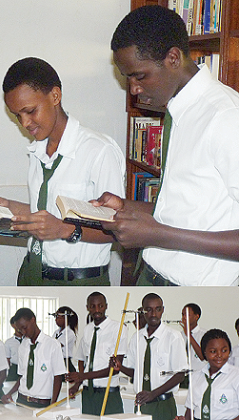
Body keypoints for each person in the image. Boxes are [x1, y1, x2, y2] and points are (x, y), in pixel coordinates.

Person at [93, 5, 239, 286]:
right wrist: (126, 207)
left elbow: (167, 229)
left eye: (139, 76)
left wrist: (158, 234)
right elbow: (184, 210)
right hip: (151, 276)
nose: (133, 89)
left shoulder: (225, 118)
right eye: (127, 78)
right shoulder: (178, 112)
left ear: (173, 58)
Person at [0, 57, 125, 286]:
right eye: (18, 115)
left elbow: (117, 229)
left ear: (55, 96)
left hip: (77, 282)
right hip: (32, 273)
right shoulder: (38, 150)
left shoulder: (99, 151)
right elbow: (45, 212)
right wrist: (5, 205)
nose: (25, 123)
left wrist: (65, 230)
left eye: (30, 111)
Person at [111, 293, 188, 420]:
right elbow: (135, 372)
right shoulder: (137, 337)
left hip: (163, 404)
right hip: (142, 405)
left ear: (162, 310)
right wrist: (120, 367)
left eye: (157, 309)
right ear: (143, 311)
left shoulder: (173, 337)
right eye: (149, 310)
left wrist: (153, 394)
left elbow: (180, 375)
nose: (153, 314)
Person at [67, 292, 127, 416]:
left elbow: (115, 369)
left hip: (108, 393)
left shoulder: (118, 328)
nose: (97, 310)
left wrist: (83, 376)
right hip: (88, 394)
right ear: (88, 308)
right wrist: (77, 384)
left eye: (100, 306)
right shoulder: (88, 329)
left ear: (106, 306)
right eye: (92, 306)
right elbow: (82, 359)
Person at [2, 308, 66, 409]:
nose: (23, 332)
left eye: (25, 327)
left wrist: (53, 404)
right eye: (20, 330)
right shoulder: (23, 346)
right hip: (22, 400)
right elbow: (22, 376)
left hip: (41, 403)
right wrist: (9, 393)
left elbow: (58, 377)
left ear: (33, 320)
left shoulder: (52, 345)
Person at [174, 329, 239, 420]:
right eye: (213, 351)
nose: (219, 355)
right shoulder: (196, 377)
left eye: (224, 350)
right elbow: (190, 411)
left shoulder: (236, 376)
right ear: (204, 352)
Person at [180, 303, 207, 388]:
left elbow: (202, 356)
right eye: (183, 314)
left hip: (199, 378)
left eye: (187, 315)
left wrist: (188, 334)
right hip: (182, 379)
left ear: (196, 316)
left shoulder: (204, 335)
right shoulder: (179, 335)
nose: (184, 317)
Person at [52, 306, 78, 374]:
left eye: (57, 316)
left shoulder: (69, 333)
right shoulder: (56, 332)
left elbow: (57, 345)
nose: (55, 320)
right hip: (57, 360)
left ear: (65, 318)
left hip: (65, 362)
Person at [4, 316, 23, 381]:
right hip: (14, 369)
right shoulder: (9, 342)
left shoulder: (28, 340)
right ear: (13, 325)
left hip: (27, 368)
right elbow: (7, 360)